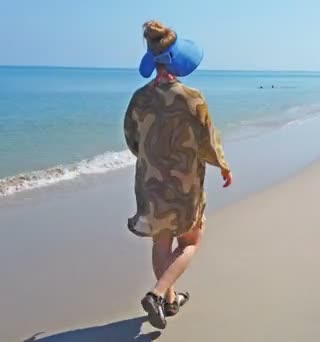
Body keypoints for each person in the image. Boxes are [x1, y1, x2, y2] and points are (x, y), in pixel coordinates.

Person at [124, 20, 232, 330]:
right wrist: (222, 165)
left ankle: (171, 301)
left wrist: (152, 160)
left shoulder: (139, 98)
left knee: (161, 245)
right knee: (189, 243)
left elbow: (132, 139)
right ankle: (158, 295)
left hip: (149, 180)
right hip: (185, 183)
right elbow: (207, 140)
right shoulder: (192, 97)